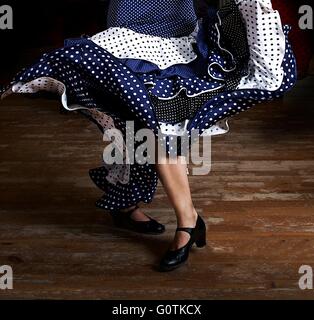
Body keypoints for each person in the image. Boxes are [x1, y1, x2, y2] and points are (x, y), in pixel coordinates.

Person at [1, 0, 297, 271]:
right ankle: (131, 204)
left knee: (158, 123)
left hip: (175, 29)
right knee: (130, 117)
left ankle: (187, 221)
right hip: (127, 26)